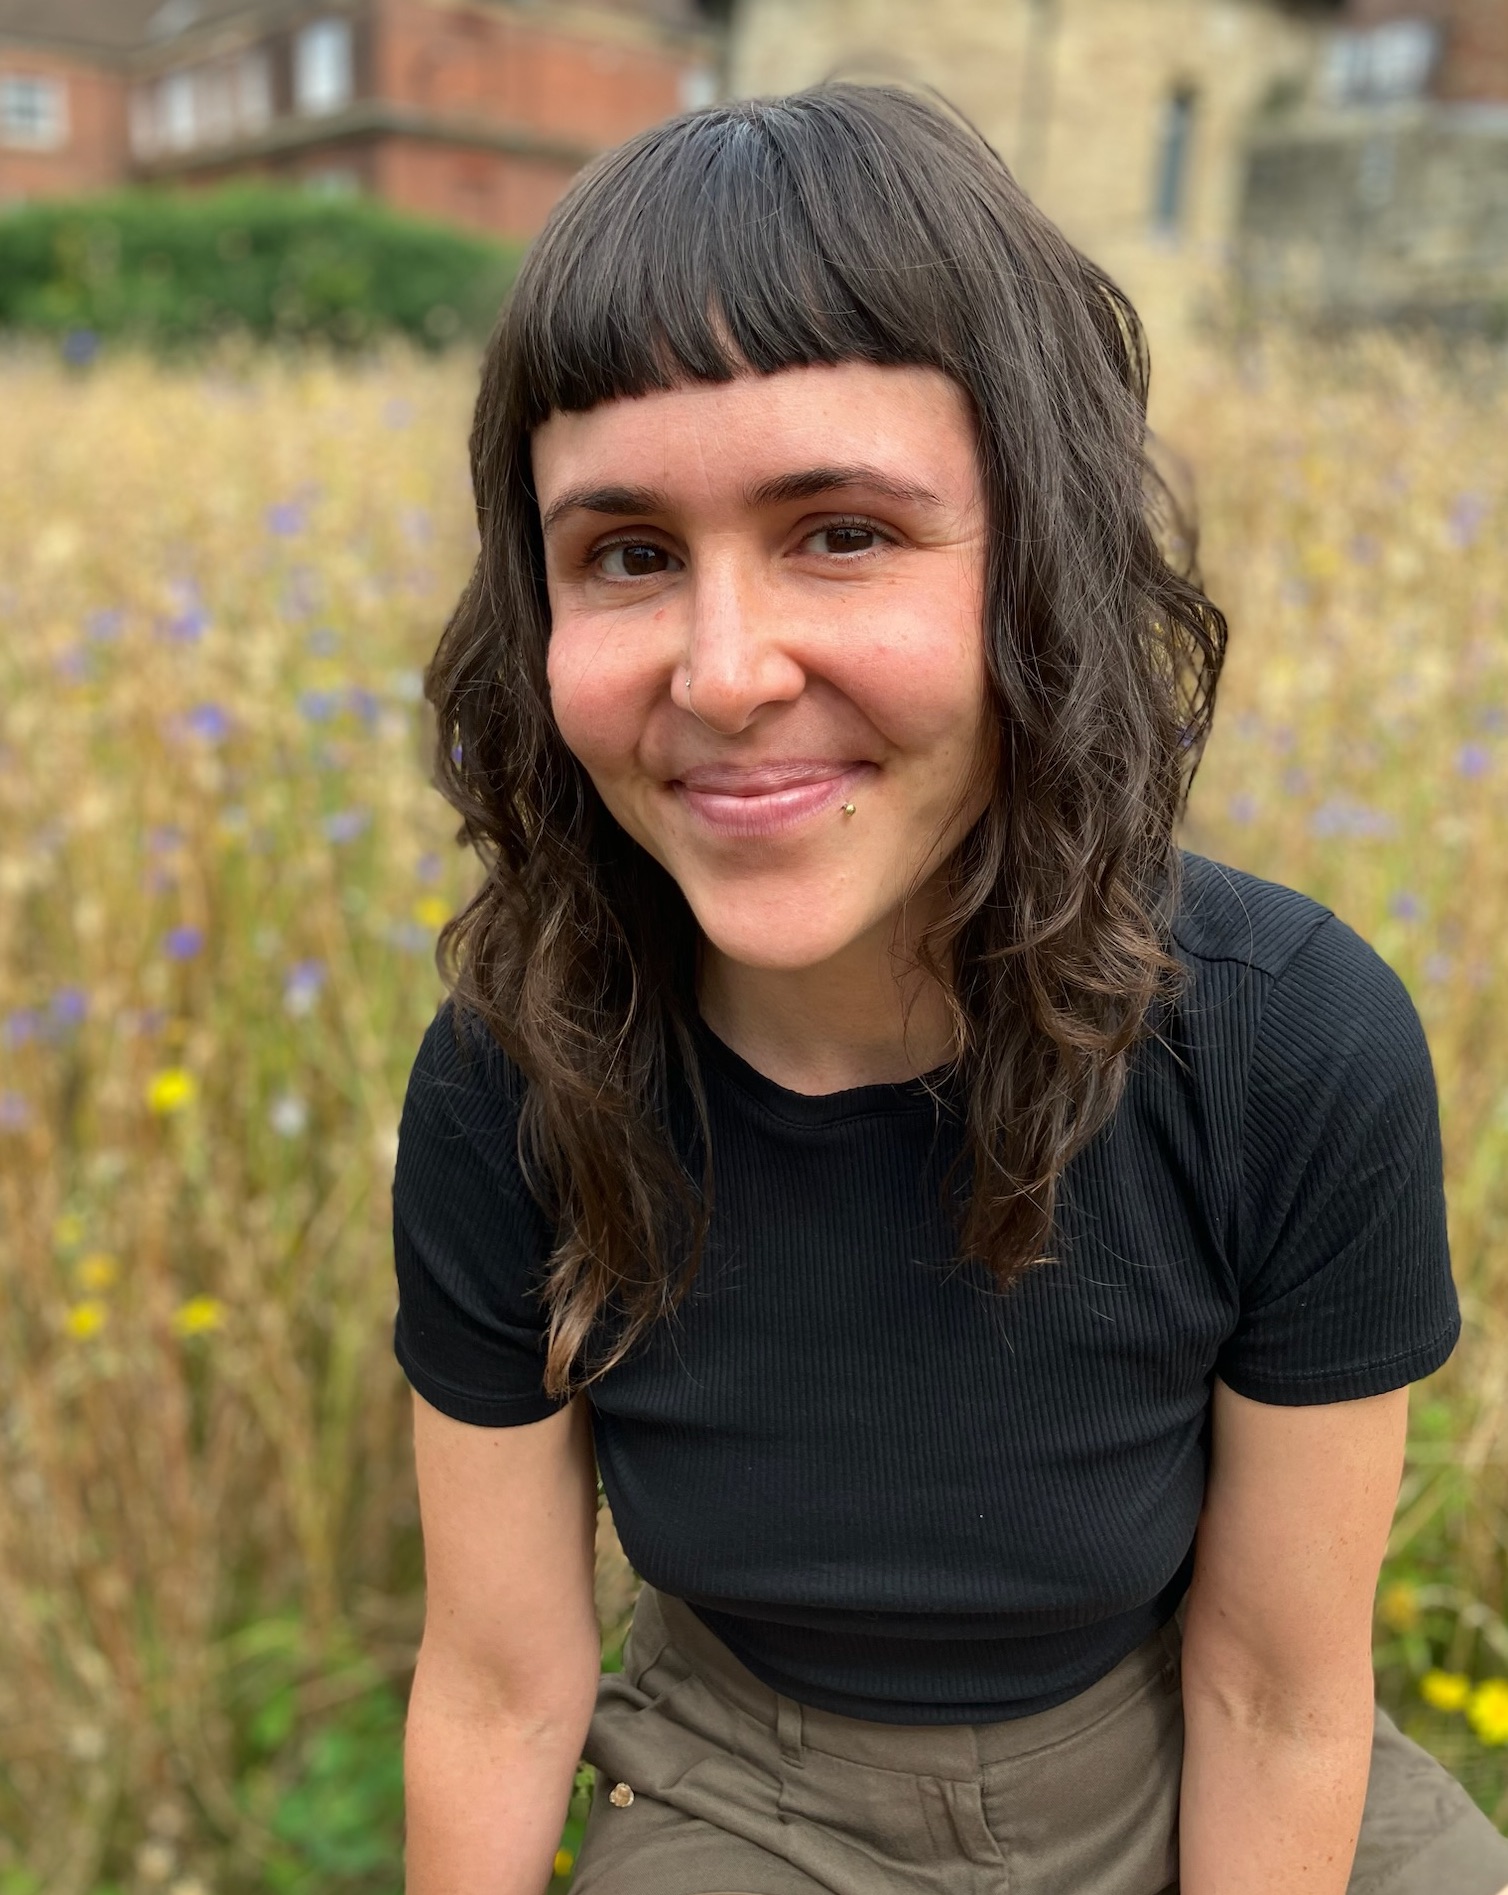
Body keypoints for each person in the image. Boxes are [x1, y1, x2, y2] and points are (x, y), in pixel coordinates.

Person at [390, 83, 1508, 1895]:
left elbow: (1276, 1695)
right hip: (755, 1797)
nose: (728, 671)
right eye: (628, 554)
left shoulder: (1292, 1044)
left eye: (841, 529)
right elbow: (506, 1685)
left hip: (1186, 1727)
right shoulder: (513, 1080)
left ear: (1036, 572)